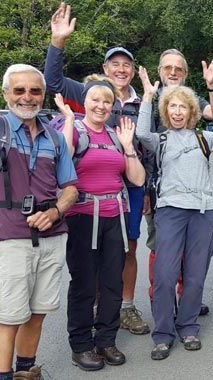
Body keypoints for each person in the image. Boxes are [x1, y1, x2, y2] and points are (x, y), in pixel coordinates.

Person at [0, 16, 78, 380]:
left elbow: (71, 188)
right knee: (10, 316)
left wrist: (56, 212)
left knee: (38, 312)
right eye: (19, 91)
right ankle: (2, 377)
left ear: (42, 95)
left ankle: (27, 371)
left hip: (51, 236)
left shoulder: (55, 138)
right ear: (6, 95)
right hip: (9, 237)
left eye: (34, 91)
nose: (27, 97)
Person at [46, 2, 152, 335]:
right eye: (114, 64)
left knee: (128, 248)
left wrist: (146, 190)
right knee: (94, 255)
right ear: (105, 68)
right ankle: (94, 309)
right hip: (93, 189)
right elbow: (52, 81)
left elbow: (151, 145)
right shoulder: (91, 93)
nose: (121, 69)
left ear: (132, 71)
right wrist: (58, 41)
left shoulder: (144, 100)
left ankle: (126, 307)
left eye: (126, 65)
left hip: (131, 186)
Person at [136, 85, 213, 360]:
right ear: (166, 111)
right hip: (170, 211)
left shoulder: (204, 137)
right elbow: (140, 133)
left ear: (191, 111)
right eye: (173, 106)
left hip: (203, 212)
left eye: (183, 107)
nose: (178, 112)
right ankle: (162, 333)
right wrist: (147, 97)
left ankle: (188, 326)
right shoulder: (160, 140)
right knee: (165, 275)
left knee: (195, 275)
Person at [55, 75, 145, 370]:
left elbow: (137, 178)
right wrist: (69, 120)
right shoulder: (76, 131)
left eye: (107, 101)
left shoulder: (114, 136)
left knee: (111, 282)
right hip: (82, 217)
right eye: (95, 99)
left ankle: (106, 340)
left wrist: (128, 146)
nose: (101, 105)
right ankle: (81, 345)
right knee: (83, 284)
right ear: (85, 102)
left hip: (114, 218)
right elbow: (63, 160)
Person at [144, 48, 213, 317]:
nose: (173, 72)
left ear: (186, 74)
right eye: (168, 67)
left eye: (178, 68)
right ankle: (160, 301)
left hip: (189, 192)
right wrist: (144, 190)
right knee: (160, 248)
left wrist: (212, 86)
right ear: (159, 71)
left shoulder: (191, 99)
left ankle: (186, 299)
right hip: (154, 188)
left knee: (190, 250)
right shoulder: (150, 98)